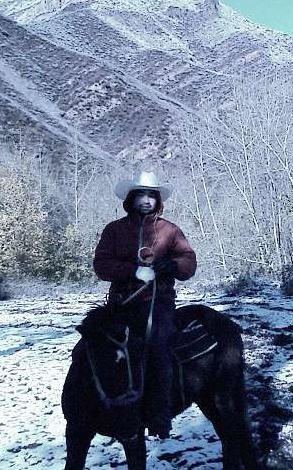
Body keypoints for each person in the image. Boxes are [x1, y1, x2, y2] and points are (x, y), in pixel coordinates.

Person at [93, 171, 197, 438]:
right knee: (93, 344)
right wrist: (132, 271)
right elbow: (101, 265)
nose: (147, 200)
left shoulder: (170, 230)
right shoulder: (114, 230)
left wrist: (171, 265)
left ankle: (159, 414)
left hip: (157, 302)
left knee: (158, 345)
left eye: (152, 195)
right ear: (132, 198)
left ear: (158, 200)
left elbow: (189, 262)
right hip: (121, 303)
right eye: (142, 194)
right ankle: (96, 405)